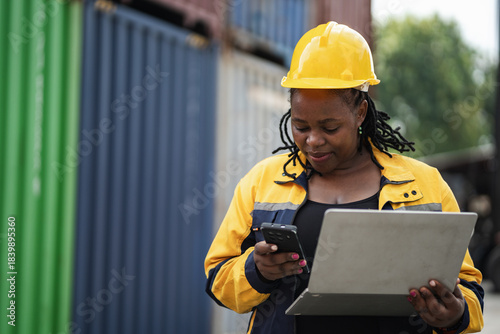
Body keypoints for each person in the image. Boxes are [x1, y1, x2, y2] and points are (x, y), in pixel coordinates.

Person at [205, 22, 484, 334]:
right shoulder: (262, 181)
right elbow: (217, 281)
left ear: (361, 112)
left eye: (329, 127)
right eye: (301, 126)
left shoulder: (424, 184)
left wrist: (454, 315)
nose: (313, 140)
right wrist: (256, 271)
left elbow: (469, 291)